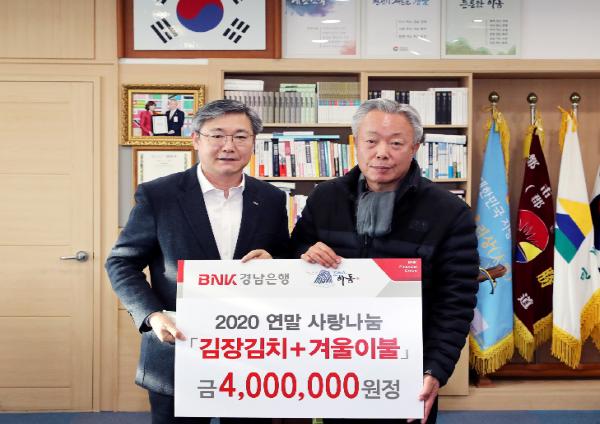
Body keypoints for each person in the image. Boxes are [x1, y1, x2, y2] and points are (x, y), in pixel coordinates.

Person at [290, 99, 479, 424]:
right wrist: (304, 254)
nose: (381, 153)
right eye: (371, 141)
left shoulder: (449, 212)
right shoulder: (324, 198)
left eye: (396, 143)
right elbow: (293, 258)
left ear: (415, 147)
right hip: (332, 361)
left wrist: (435, 369)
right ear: (355, 143)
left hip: (405, 365)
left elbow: (456, 301)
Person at [106, 99, 289, 424]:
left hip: (250, 352)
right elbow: (122, 263)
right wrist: (152, 315)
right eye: (217, 135)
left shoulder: (272, 199)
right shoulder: (158, 195)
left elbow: (283, 259)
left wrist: (274, 260)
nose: (229, 146)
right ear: (196, 139)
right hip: (178, 346)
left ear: (253, 143)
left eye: (240, 136)